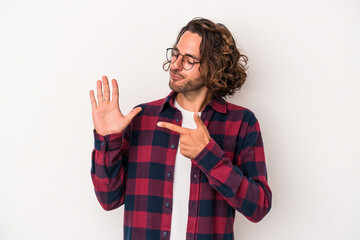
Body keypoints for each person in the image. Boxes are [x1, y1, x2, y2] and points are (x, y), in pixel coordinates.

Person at [89, 17, 272, 240]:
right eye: (175, 54)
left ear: (212, 67)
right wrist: (108, 141)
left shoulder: (242, 123)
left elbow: (258, 207)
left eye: (188, 60)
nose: (175, 65)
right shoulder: (141, 118)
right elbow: (109, 199)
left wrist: (209, 156)